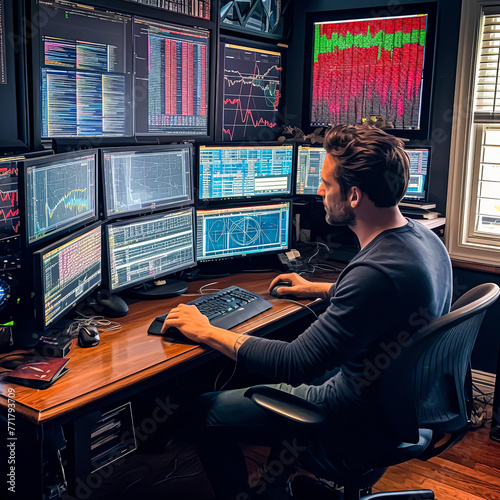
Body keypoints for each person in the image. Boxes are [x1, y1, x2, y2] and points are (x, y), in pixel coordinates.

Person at [162, 123, 453, 500]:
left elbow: (297, 362)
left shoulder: (374, 272)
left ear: (353, 196)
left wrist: (206, 330)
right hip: (396, 406)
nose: (318, 191)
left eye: (326, 184)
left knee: (204, 411)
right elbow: (385, 301)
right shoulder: (422, 239)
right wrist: (319, 288)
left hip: (354, 422)